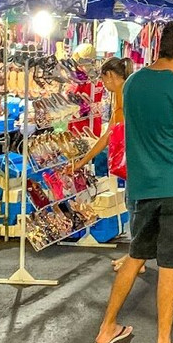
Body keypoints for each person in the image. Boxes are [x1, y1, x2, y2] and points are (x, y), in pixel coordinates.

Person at [93, 21, 173, 343]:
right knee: (170, 264)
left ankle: (107, 327)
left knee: (136, 255)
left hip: (142, 187)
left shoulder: (133, 83)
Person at [73, 57, 132, 271]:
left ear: (110, 76)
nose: (103, 86)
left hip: (134, 159)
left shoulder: (122, 96)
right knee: (135, 205)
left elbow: (109, 135)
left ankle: (136, 259)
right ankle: (136, 257)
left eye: (104, 80)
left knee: (135, 205)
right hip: (140, 157)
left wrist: (82, 162)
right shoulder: (125, 93)